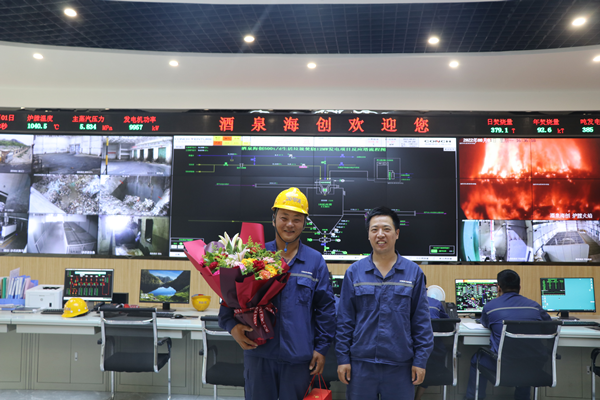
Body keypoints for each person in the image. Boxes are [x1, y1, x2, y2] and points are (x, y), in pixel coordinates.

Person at [218, 187, 336, 400]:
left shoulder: (315, 261)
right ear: (273, 220)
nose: (290, 224)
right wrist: (232, 327)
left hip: (299, 359)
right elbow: (229, 299)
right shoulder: (254, 255)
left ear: (304, 224)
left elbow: (325, 310)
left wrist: (322, 349)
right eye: (284, 217)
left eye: (297, 219)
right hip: (259, 355)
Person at [336, 206, 434, 400]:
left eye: (386, 229)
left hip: (400, 367)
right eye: (374, 229)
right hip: (361, 366)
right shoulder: (354, 272)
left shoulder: (413, 272)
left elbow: (421, 322)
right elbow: (345, 320)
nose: (380, 234)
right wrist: (342, 359)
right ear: (368, 235)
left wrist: (420, 360)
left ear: (397, 233)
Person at [465, 269, 551, 400]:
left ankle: (474, 398)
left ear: (498, 288)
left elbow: (486, 323)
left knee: (477, 358)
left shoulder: (491, 307)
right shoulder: (534, 306)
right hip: (533, 366)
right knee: (526, 355)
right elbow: (550, 327)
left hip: (504, 365)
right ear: (519, 287)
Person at [414, 277, 450, 400]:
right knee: (428, 365)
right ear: (426, 287)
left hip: (410, 356)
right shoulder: (436, 303)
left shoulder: (404, 304)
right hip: (434, 357)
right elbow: (449, 324)